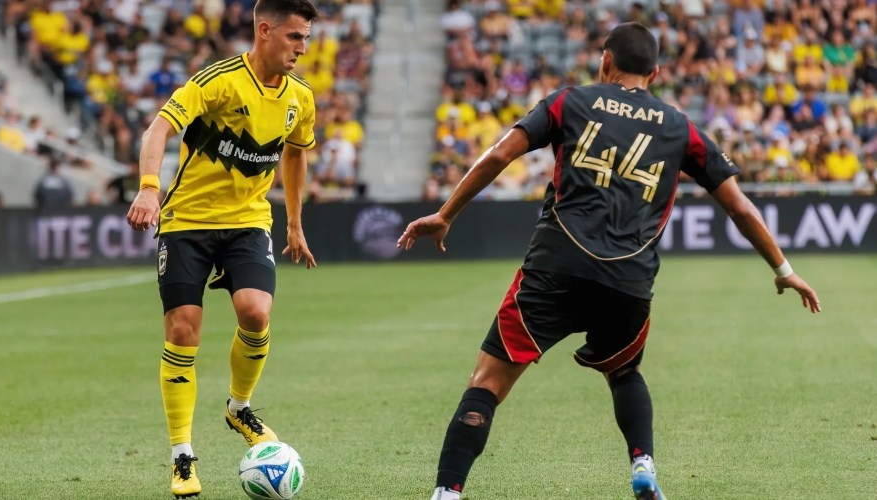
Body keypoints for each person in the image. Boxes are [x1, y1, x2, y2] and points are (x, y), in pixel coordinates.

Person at [398, 23, 822, 500]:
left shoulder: (568, 101)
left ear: (605, 61)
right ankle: (643, 465)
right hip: (628, 279)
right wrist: (784, 270)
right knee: (624, 372)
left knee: (487, 383)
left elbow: (499, 156)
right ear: (655, 73)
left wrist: (445, 214)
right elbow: (740, 208)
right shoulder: (680, 127)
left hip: (555, 265)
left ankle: (447, 493)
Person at [125, 0, 319, 497]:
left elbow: (296, 155)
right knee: (183, 330)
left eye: (306, 38)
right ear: (265, 30)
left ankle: (238, 407)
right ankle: (182, 455)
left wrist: (295, 223)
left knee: (256, 313)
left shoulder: (301, 97)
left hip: (248, 222)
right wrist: (149, 187)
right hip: (187, 222)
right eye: (295, 36)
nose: (302, 47)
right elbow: (158, 128)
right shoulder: (218, 81)